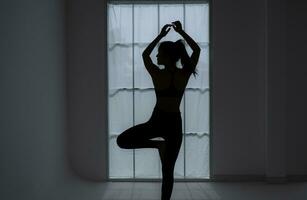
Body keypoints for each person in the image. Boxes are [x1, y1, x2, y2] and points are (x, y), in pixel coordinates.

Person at [117, 20, 201, 200]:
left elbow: (145, 54)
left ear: (167, 57)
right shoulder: (183, 73)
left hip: (159, 121)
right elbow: (197, 50)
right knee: (167, 172)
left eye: (159, 54)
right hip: (171, 124)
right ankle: (158, 144)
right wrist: (181, 32)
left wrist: (161, 36)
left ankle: (157, 144)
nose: (156, 57)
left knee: (166, 170)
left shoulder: (158, 74)